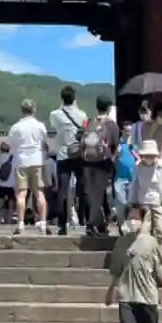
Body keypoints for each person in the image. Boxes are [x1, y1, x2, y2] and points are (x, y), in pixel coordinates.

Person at [48, 86, 89, 236]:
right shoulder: (82, 114)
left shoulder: (55, 114)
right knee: (83, 190)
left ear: (62, 98)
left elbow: (53, 125)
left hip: (63, 155)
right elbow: (85, 127)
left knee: (62, 191)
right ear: (74, 99)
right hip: (79, 154)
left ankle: (62, 225)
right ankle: (86, 221)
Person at [7, 99, 50, 235]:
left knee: (21, 193)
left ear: (22, 110)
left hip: (21, 161)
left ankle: (20, 223)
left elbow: (10, 144)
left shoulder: (15, 127)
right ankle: (43, 222)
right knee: (39, 193)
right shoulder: (40, 126)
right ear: (34, 109)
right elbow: (45, 143)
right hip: (37, 160)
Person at [80, 95, 119, 236]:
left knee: (92, 194)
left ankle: (99, 223)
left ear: (97, 106)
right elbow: (115, 146)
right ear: (108, 108)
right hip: (103, 163)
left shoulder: (90, 122)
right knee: (98, 195)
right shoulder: (111, 125)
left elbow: (82, 142)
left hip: (87, 162)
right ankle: (90, 224)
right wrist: (112, 160)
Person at [131, 139, 162, 245]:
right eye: (147, 156)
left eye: (151, 156)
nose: (149, 158)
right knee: (143, 233)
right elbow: (134, 185)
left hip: (158, 203)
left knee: (161, 232)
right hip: (144, 204)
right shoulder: (138, 166)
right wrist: (133, 203)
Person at [112, 123, 137, 230]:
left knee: (131, 204)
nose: (128, 133)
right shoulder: (119, 145)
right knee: (121, 202)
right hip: (120, 178)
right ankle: (121, 226)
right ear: (122, 131)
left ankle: (129, 227)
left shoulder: (134, 145)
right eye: (127, 131)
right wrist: (116, 155)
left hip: (133, 179)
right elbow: (112, 160)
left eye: (130, 131)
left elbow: (140, 159)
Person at [0, 141, 14, 224]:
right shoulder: (13, 157)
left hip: (1, 184)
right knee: (11, 204)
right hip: (11, 184)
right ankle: (9, 221)